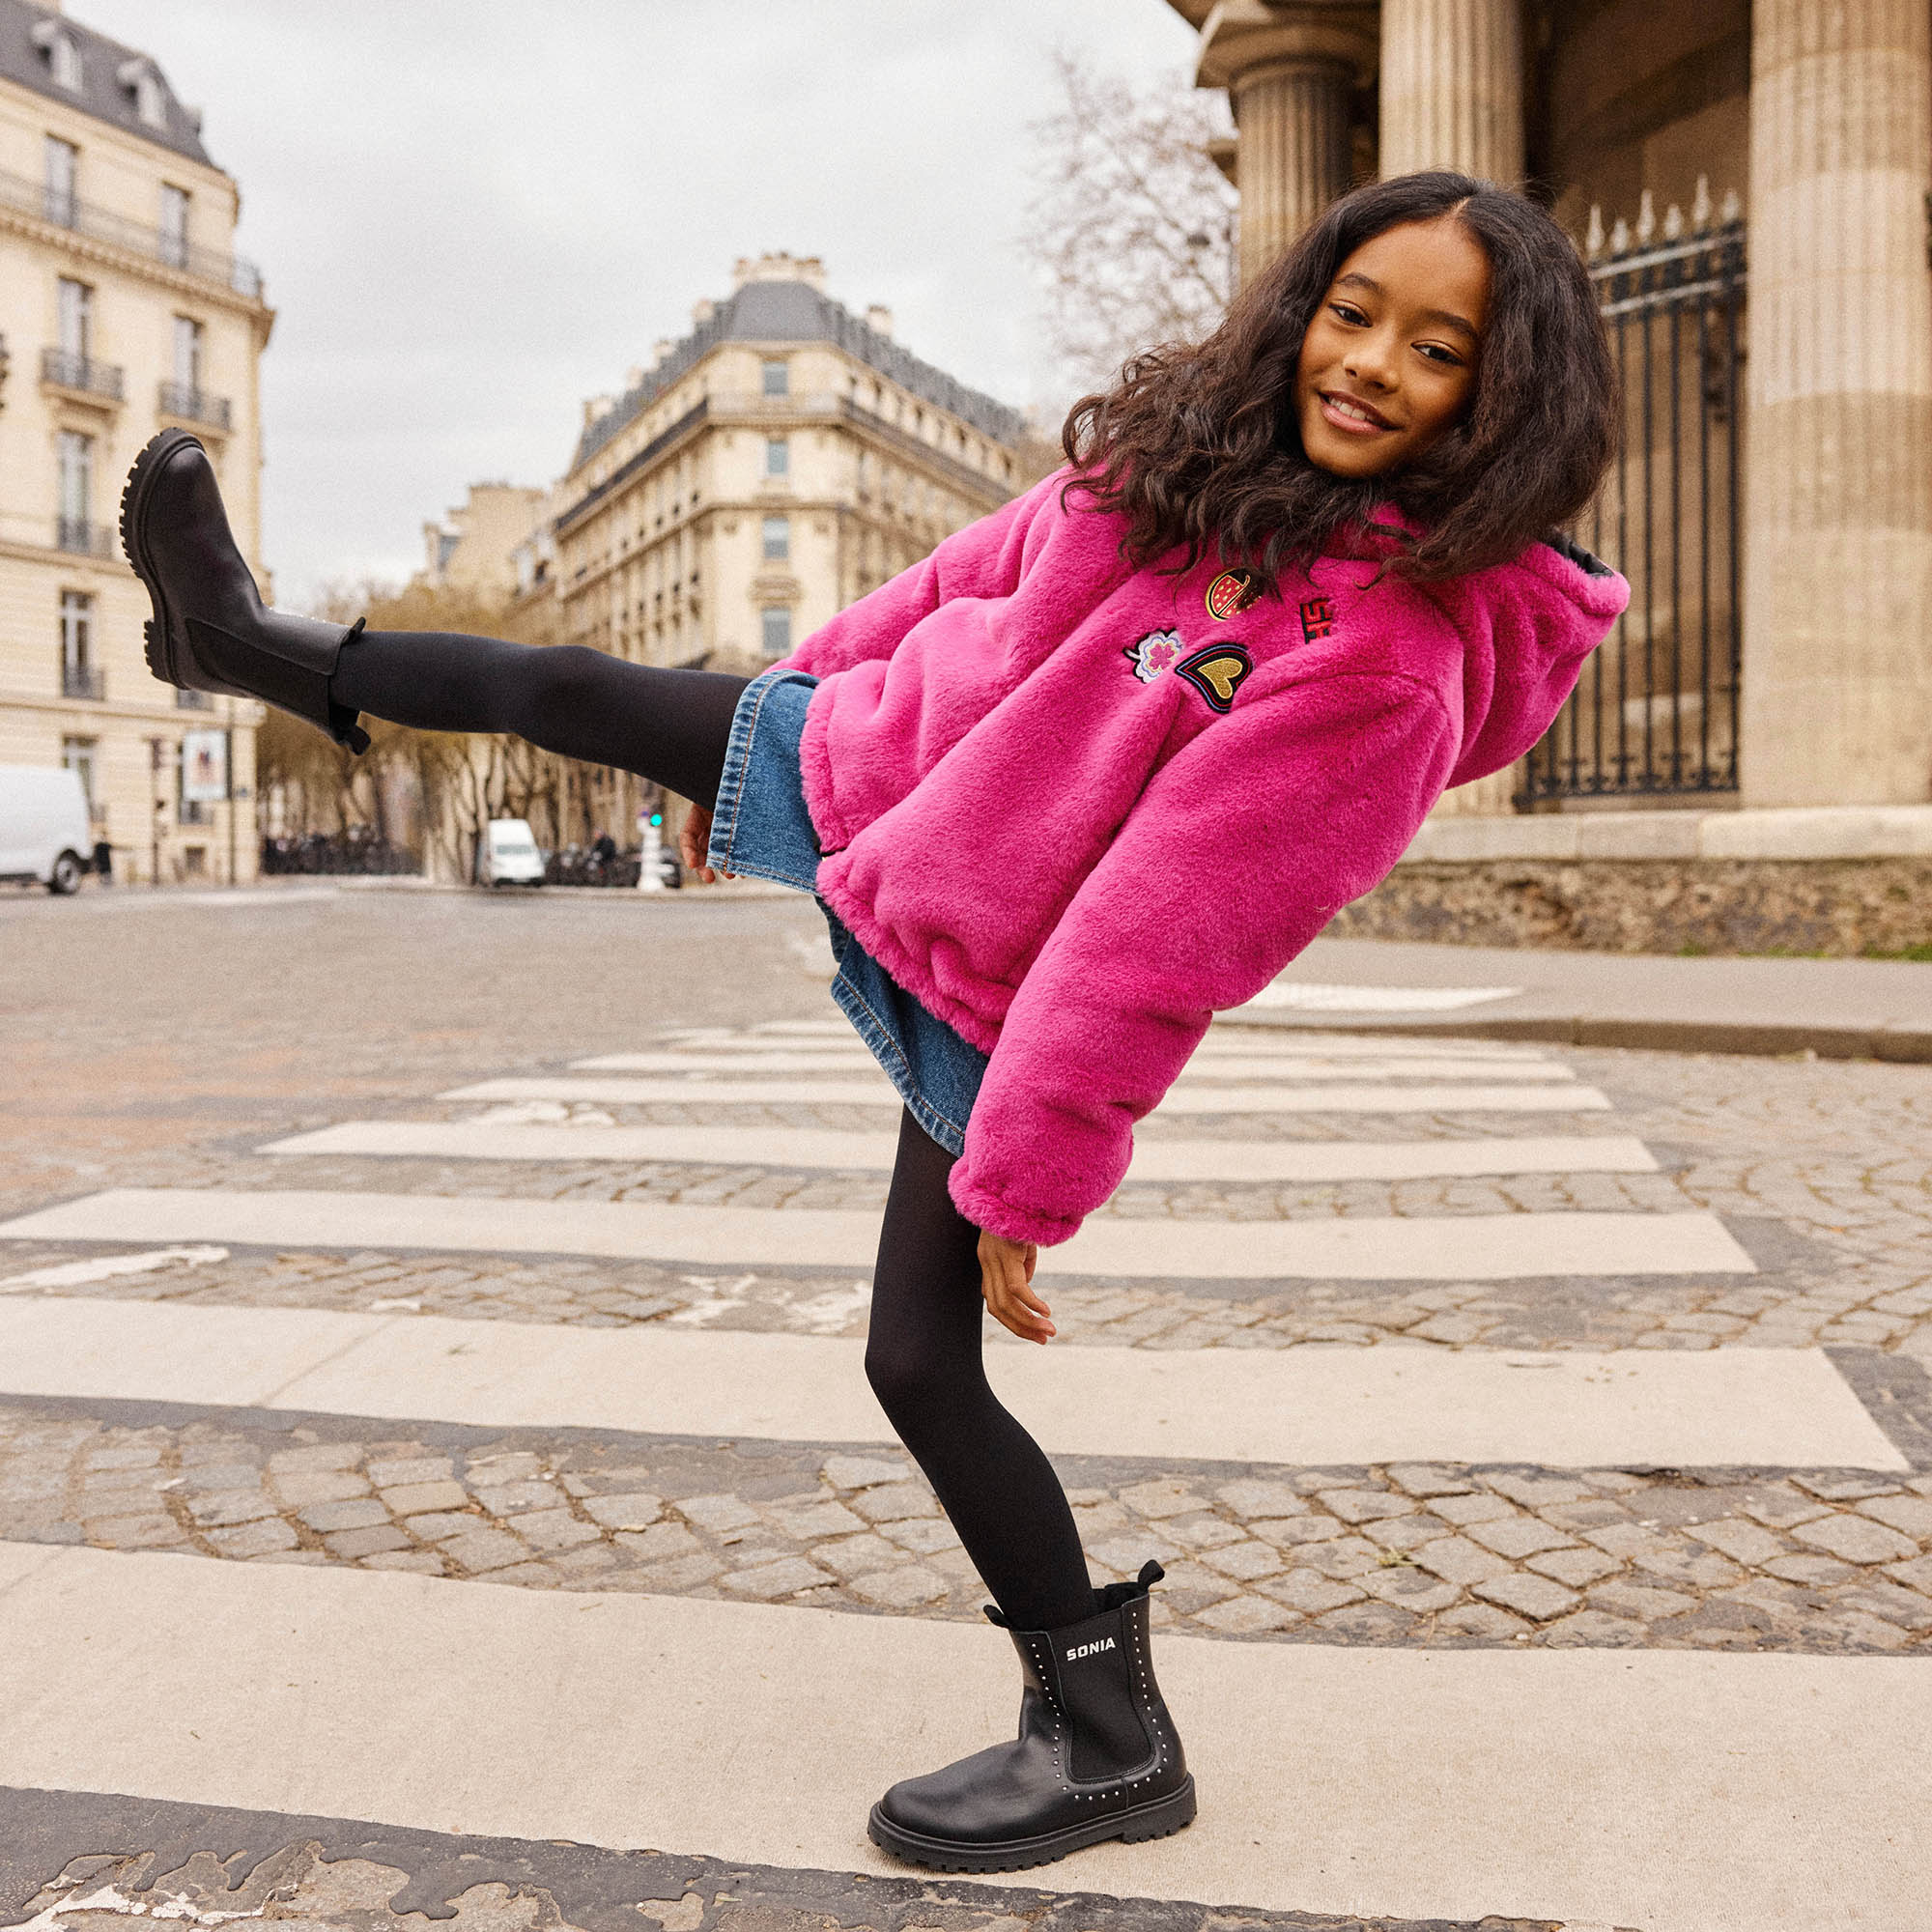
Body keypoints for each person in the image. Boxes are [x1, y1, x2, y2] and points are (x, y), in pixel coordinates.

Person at [118, 171, 1625, 1875]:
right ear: (1302, 311)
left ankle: (1110, 1741)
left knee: (917, 1357)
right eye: (1353, 313)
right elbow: (950, 582)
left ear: (1498, 403)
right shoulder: (1190, 464)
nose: (1370, 366)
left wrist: (1029, 1176)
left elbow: (1165, 936)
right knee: (571, 690)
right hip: (888, 769)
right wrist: (782, 716)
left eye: (1437, 350)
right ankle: (243, 643)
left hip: (1007, 969)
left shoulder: (1391, 661)